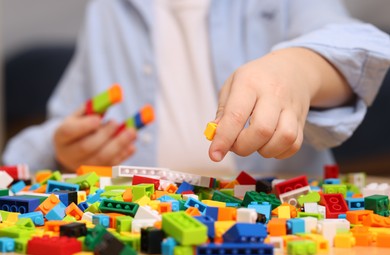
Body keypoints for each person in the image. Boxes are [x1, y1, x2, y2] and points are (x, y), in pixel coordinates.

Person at [3, 0, 390, 177]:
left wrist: (300, 69)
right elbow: (59, 125)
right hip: (134, 228)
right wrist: (62, 148)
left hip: (277, 228)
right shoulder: (108, 9)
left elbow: (354, 45)